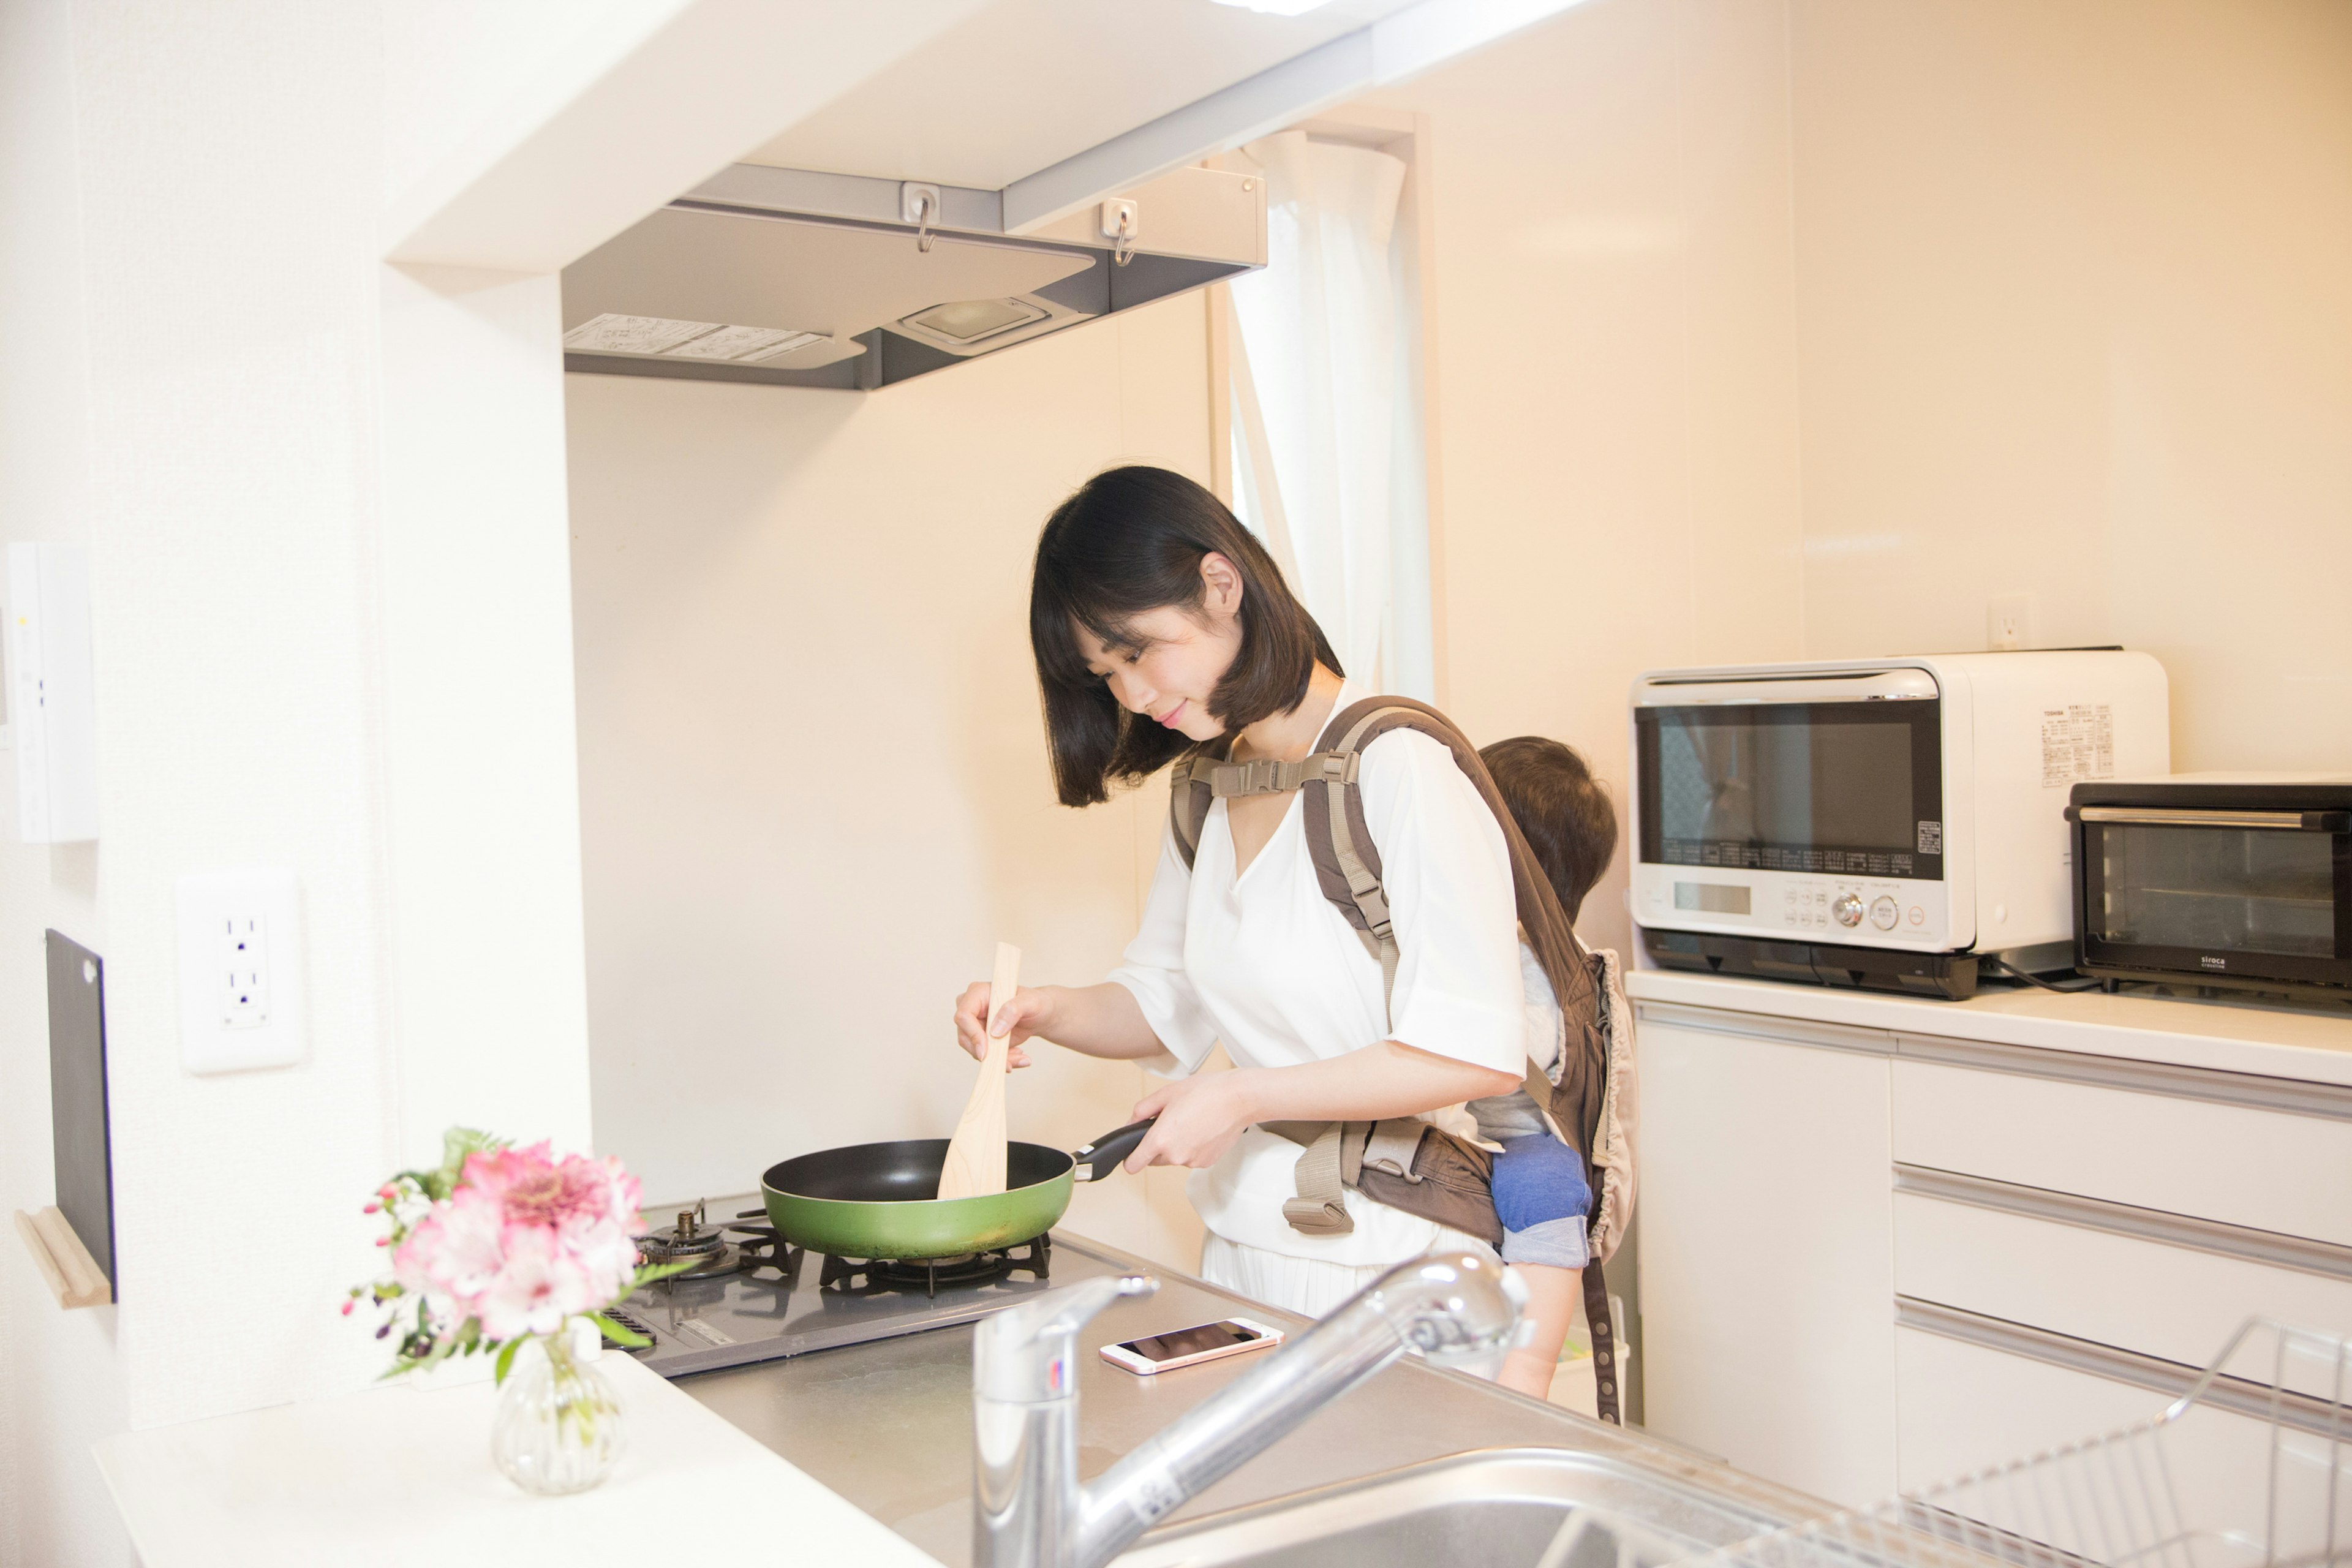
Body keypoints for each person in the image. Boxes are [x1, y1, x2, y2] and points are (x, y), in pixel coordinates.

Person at [952, 465, 1525, 1320]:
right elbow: (1165, 1007)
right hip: (1245, 1246)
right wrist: (1045, 1010)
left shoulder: (1398, 764)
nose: (1134, 696)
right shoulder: (1209, 790)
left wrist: (1245, 1094)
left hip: (1400, 1261)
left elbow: (1469, 1049)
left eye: (1138, 651)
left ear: (1220, 586)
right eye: (1105, 673)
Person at [1468, 735, 1620, 1398]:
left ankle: (1530, 1370)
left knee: (1550, 1195)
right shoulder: (1545, 944)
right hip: (1488, 1115)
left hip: (1522, 1129)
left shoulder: (1530, 957)